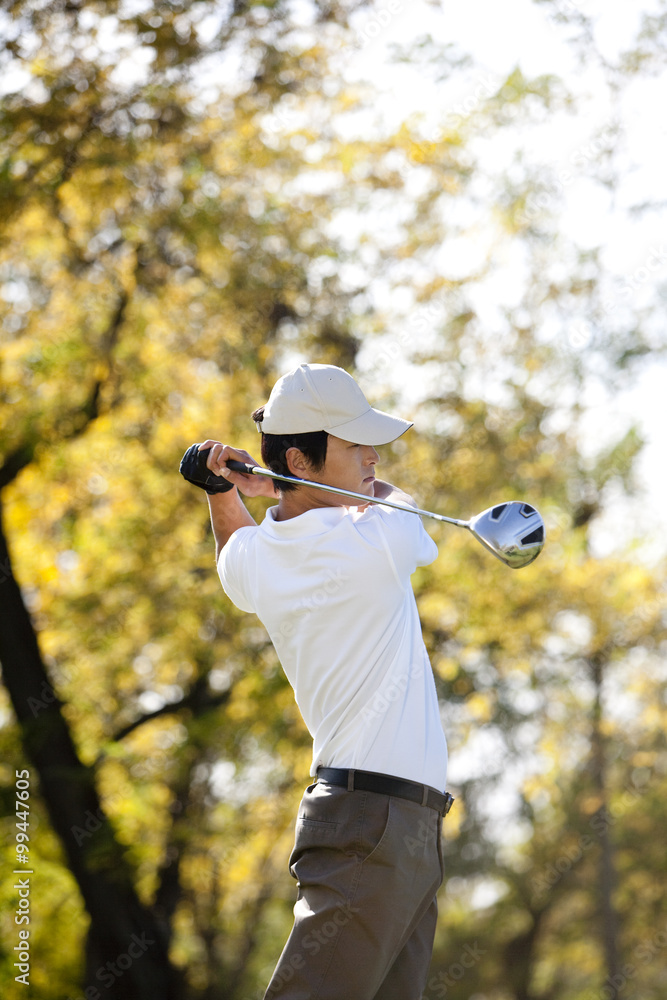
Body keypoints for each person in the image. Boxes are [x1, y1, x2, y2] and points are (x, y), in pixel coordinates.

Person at [181, 363, 453, 1000]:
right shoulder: (378, 542)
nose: (372, 457)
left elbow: (234, 554)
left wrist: (224, 488)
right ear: (300, 460)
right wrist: (246, 485)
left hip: (400, 827)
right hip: (374, 823)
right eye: (354, 444)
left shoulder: (260, 560)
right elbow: (394, 505)